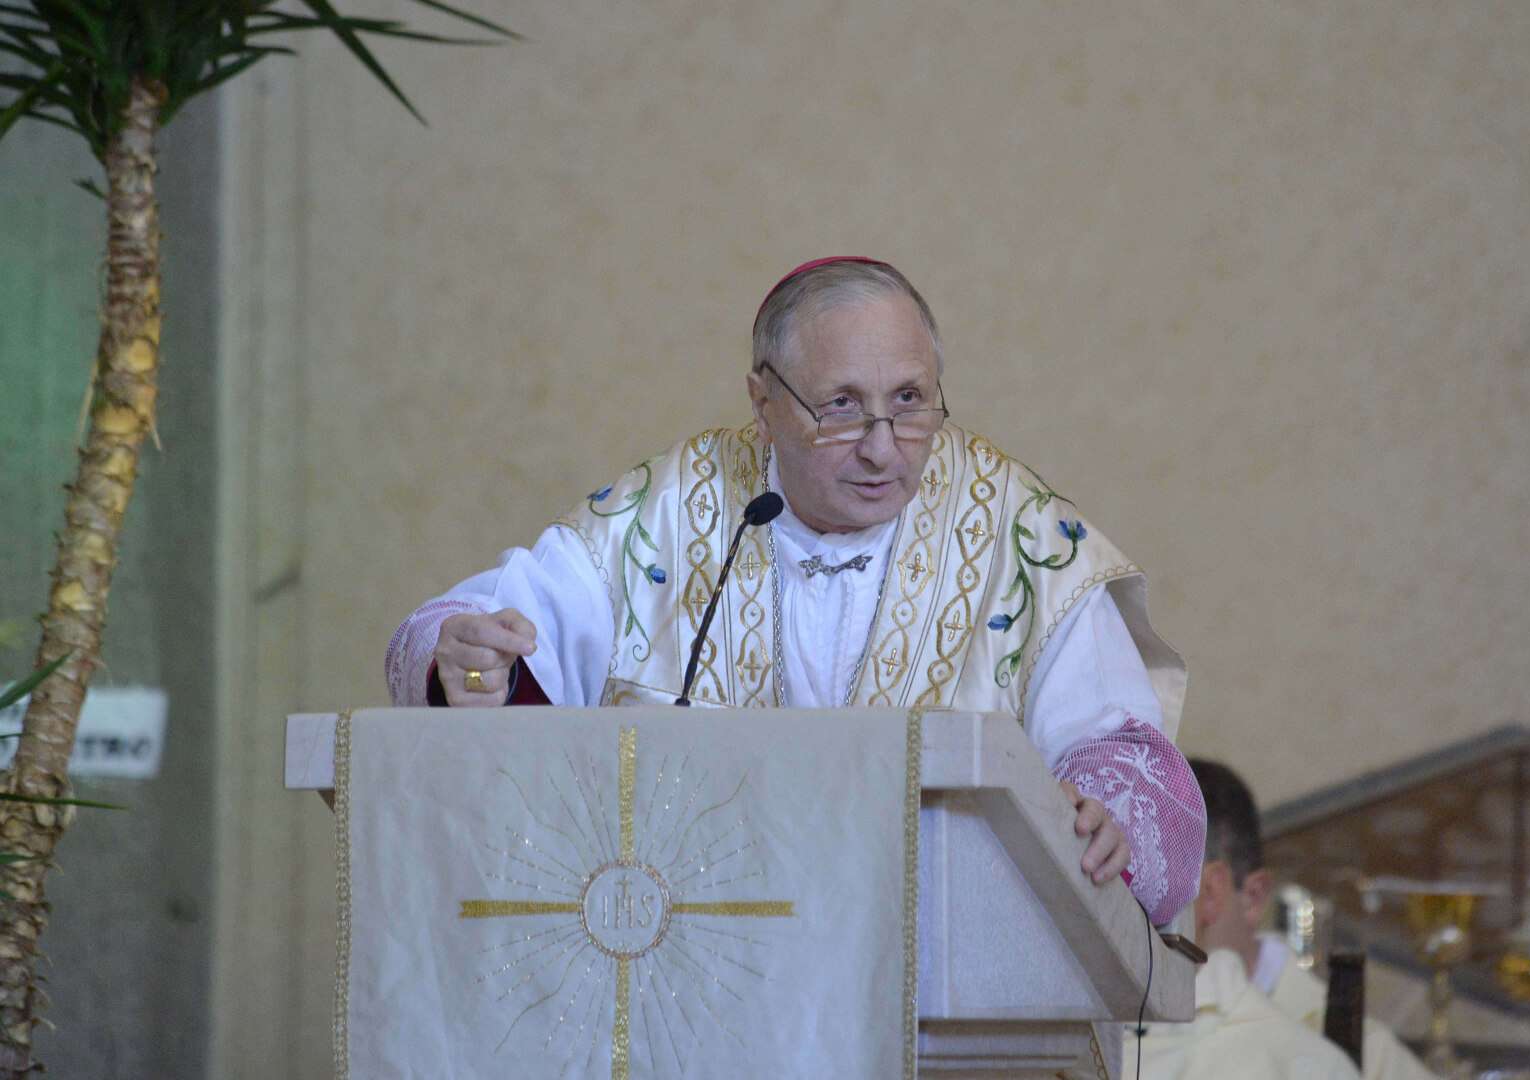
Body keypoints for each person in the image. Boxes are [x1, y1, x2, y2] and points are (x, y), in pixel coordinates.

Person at [385, 257, 1205, 924]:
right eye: (841, 407)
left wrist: (1106, 815)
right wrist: (466, 663)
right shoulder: (666, 512)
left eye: (910, 402)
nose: (883, 449)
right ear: (764, 402)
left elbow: (1124, 751)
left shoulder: (1018, 534)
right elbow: (470, 633)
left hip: (940, 998)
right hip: (693, 986)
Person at [1165, 759, 1437, 1080]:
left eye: (1174, 892)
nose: (1158, 922)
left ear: (1252, 897)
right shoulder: (1130, 1023)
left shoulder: (1359, 1050)